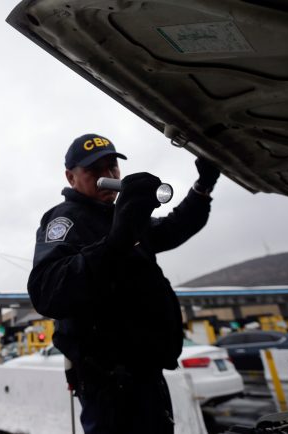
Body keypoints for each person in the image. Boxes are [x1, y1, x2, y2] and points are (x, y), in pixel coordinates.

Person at [27, 133, 220, 434]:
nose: (108, 176)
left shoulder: (121, 217)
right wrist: (117, 241)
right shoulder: (65, 219)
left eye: (112, 168)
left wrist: (203, 186)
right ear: (71, 176)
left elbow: (173, 228)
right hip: (108, 384)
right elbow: (48, 291)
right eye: (95, 170)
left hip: (146, 374)